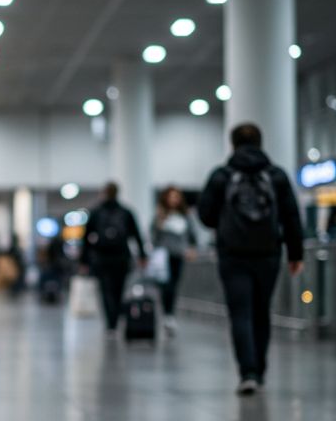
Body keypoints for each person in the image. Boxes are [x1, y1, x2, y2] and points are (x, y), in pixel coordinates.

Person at [198, 123, 303, 396]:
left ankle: (248, 373)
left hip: (232, 255)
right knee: (261, 311)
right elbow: (291, 217)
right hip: (268, 254)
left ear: (232, 144)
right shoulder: (276, 175)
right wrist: (295, 253)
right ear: (261, 142)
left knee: (240, 313)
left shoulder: (222, 175)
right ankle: (261, 368)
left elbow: (205, 215)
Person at [82, 182, 146, 336]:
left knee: (106, 290)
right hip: (121, 256)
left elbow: (86, 238)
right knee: (118, 289)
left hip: (102, 257)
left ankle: (111, 323)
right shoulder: (126, 212)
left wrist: (84, 260)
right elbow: (136, 235)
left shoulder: (96, 212)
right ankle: (115, 319)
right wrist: (142, 255)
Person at [150, 186, 198, 335]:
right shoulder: (160, 215)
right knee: (166, 285)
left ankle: (169, 314)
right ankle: (167, 314)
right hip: (164, 256)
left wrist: (191, 248)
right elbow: (153, 235)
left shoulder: (185, 216)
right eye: (171, 197)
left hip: (179, 254)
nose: (174, 200)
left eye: (176, 197)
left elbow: (192, 235)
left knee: (174, 284)